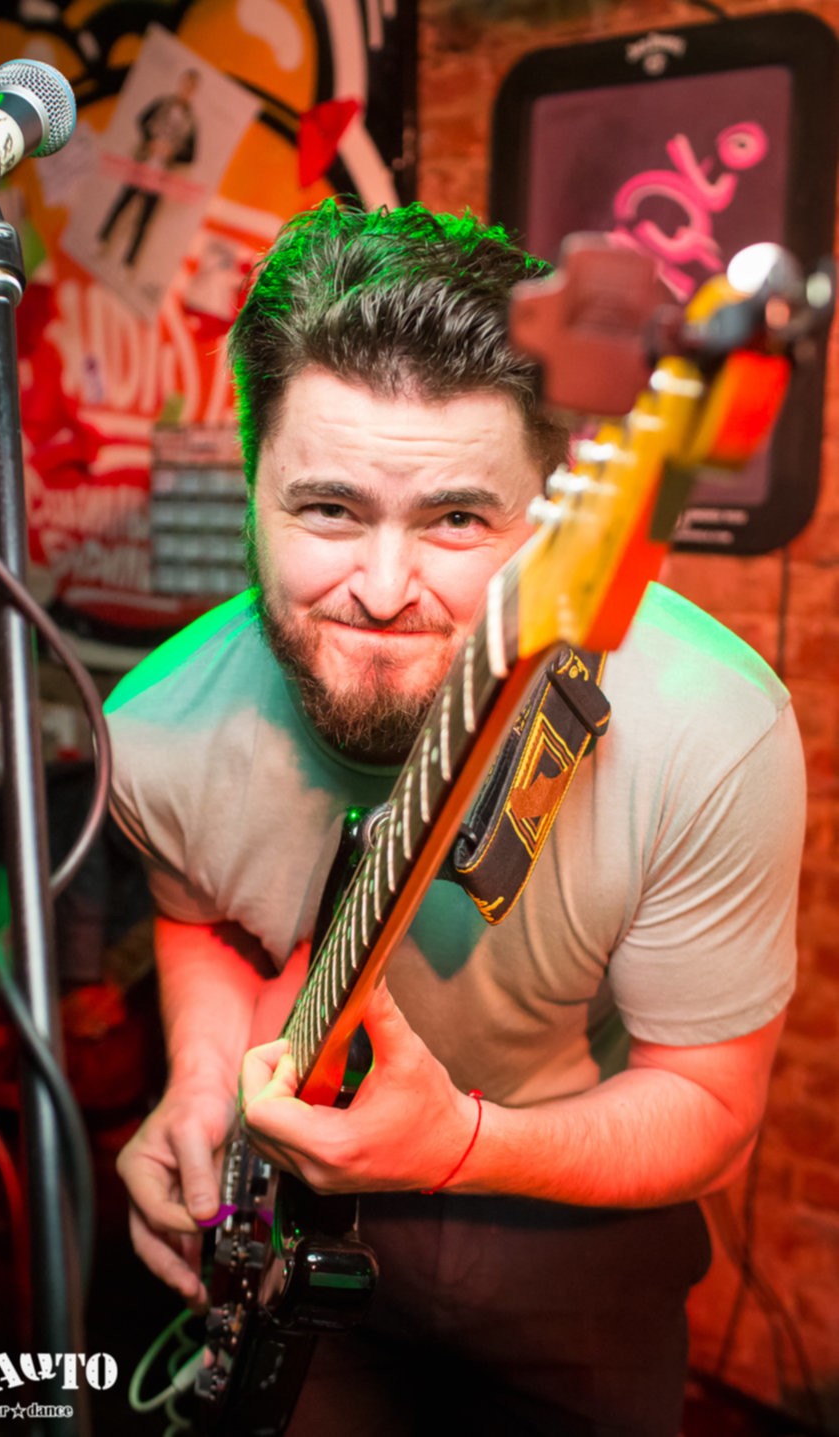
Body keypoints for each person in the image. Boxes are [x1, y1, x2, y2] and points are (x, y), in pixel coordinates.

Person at [106, 200, 804, 1436]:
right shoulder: (157, 727)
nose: (382, 592)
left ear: (550, 514)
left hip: (570, 1223)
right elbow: (196, 911)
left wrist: (456, 1146)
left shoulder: (708, 728)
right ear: (249, 489)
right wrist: (201, 1086)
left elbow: (708, 1110)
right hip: (290, 1233)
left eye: (457, 519)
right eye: (327, 510)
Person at [97, 69, 200, 267]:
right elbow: (142, 120)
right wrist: (151, 141)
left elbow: (191, 156)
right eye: (185, 84)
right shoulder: (163, 103)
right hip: (144, 163)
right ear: (180, 84)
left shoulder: (191, 121)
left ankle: (129, 261)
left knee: (145, 218)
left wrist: (172, 153)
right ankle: (103, 240)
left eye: (191, 87)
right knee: (122, 203)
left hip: (162, 174)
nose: (186, 90)